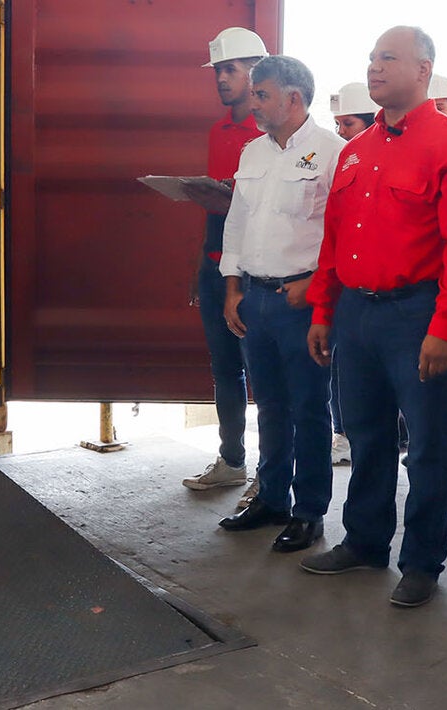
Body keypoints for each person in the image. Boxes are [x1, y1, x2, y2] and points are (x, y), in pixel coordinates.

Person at [298, 26, 447, 609]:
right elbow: (333, 240)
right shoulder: (357, 150)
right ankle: (364, 540)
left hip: (417, 314)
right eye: (372, 58)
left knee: (430, 443)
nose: (375, 68)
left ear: (424, 70)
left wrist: (445, 328)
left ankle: (422, 562)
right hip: (356, 311)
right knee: (364, 432)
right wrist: (324, 311)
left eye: (388, 58)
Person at [217, 55, 344, 553]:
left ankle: (309, 511)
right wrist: (232, 288)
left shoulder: (333, 153)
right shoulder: (253, 153)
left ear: (293, 97)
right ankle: (271, 497)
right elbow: (236, 223)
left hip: (302, 303)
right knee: (269, 405)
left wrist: (316, 283)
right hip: (256, 297)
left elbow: (342, 233)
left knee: (309, 408)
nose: (252, 103)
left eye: (261, 94)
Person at [180, 27, 267, 507]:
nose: (221, 78)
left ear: (257, 70)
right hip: (216, 265)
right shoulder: (219, 131)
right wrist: (201, 267)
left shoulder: (273, 134)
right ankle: (233, 461)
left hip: (255, 273)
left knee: (266, 374)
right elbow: (217, 210)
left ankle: (272, 476)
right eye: (217, 70)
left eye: (230, 69)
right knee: (224, 369)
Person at [326, 80, 380, 466]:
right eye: (338, 125)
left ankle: (352, 433)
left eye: (349, 124)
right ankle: (341, 429)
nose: (342, 133)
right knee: (339, 365)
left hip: (382, 292)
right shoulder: (342, 161)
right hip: (345, 286)